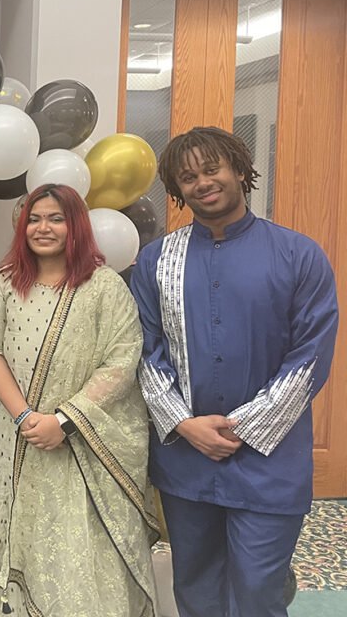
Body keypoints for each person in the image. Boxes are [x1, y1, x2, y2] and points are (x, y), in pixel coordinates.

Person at [131, 126, 338, 617]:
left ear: (240, 169)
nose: (202, 182)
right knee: (195, 586)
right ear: (176, 189)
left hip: (271, 460)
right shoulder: (158, 260)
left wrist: (242, 426)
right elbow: (141, 349)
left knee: (258, 591)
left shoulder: (298, 254)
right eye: (187, 176)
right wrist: (183, 423)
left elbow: (310, 356)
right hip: (185, 458)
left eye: (211, 168)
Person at [0, 183, 158, 617]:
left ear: (75, 225)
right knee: (19, 535)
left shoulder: (105, 287)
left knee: (76, 545)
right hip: (17, 434)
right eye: (34, 219)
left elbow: (120, 361)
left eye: (55, 218)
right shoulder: (5, 282)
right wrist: (26, 416)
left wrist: (62, 420)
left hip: (82, 439)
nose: (43, 228)